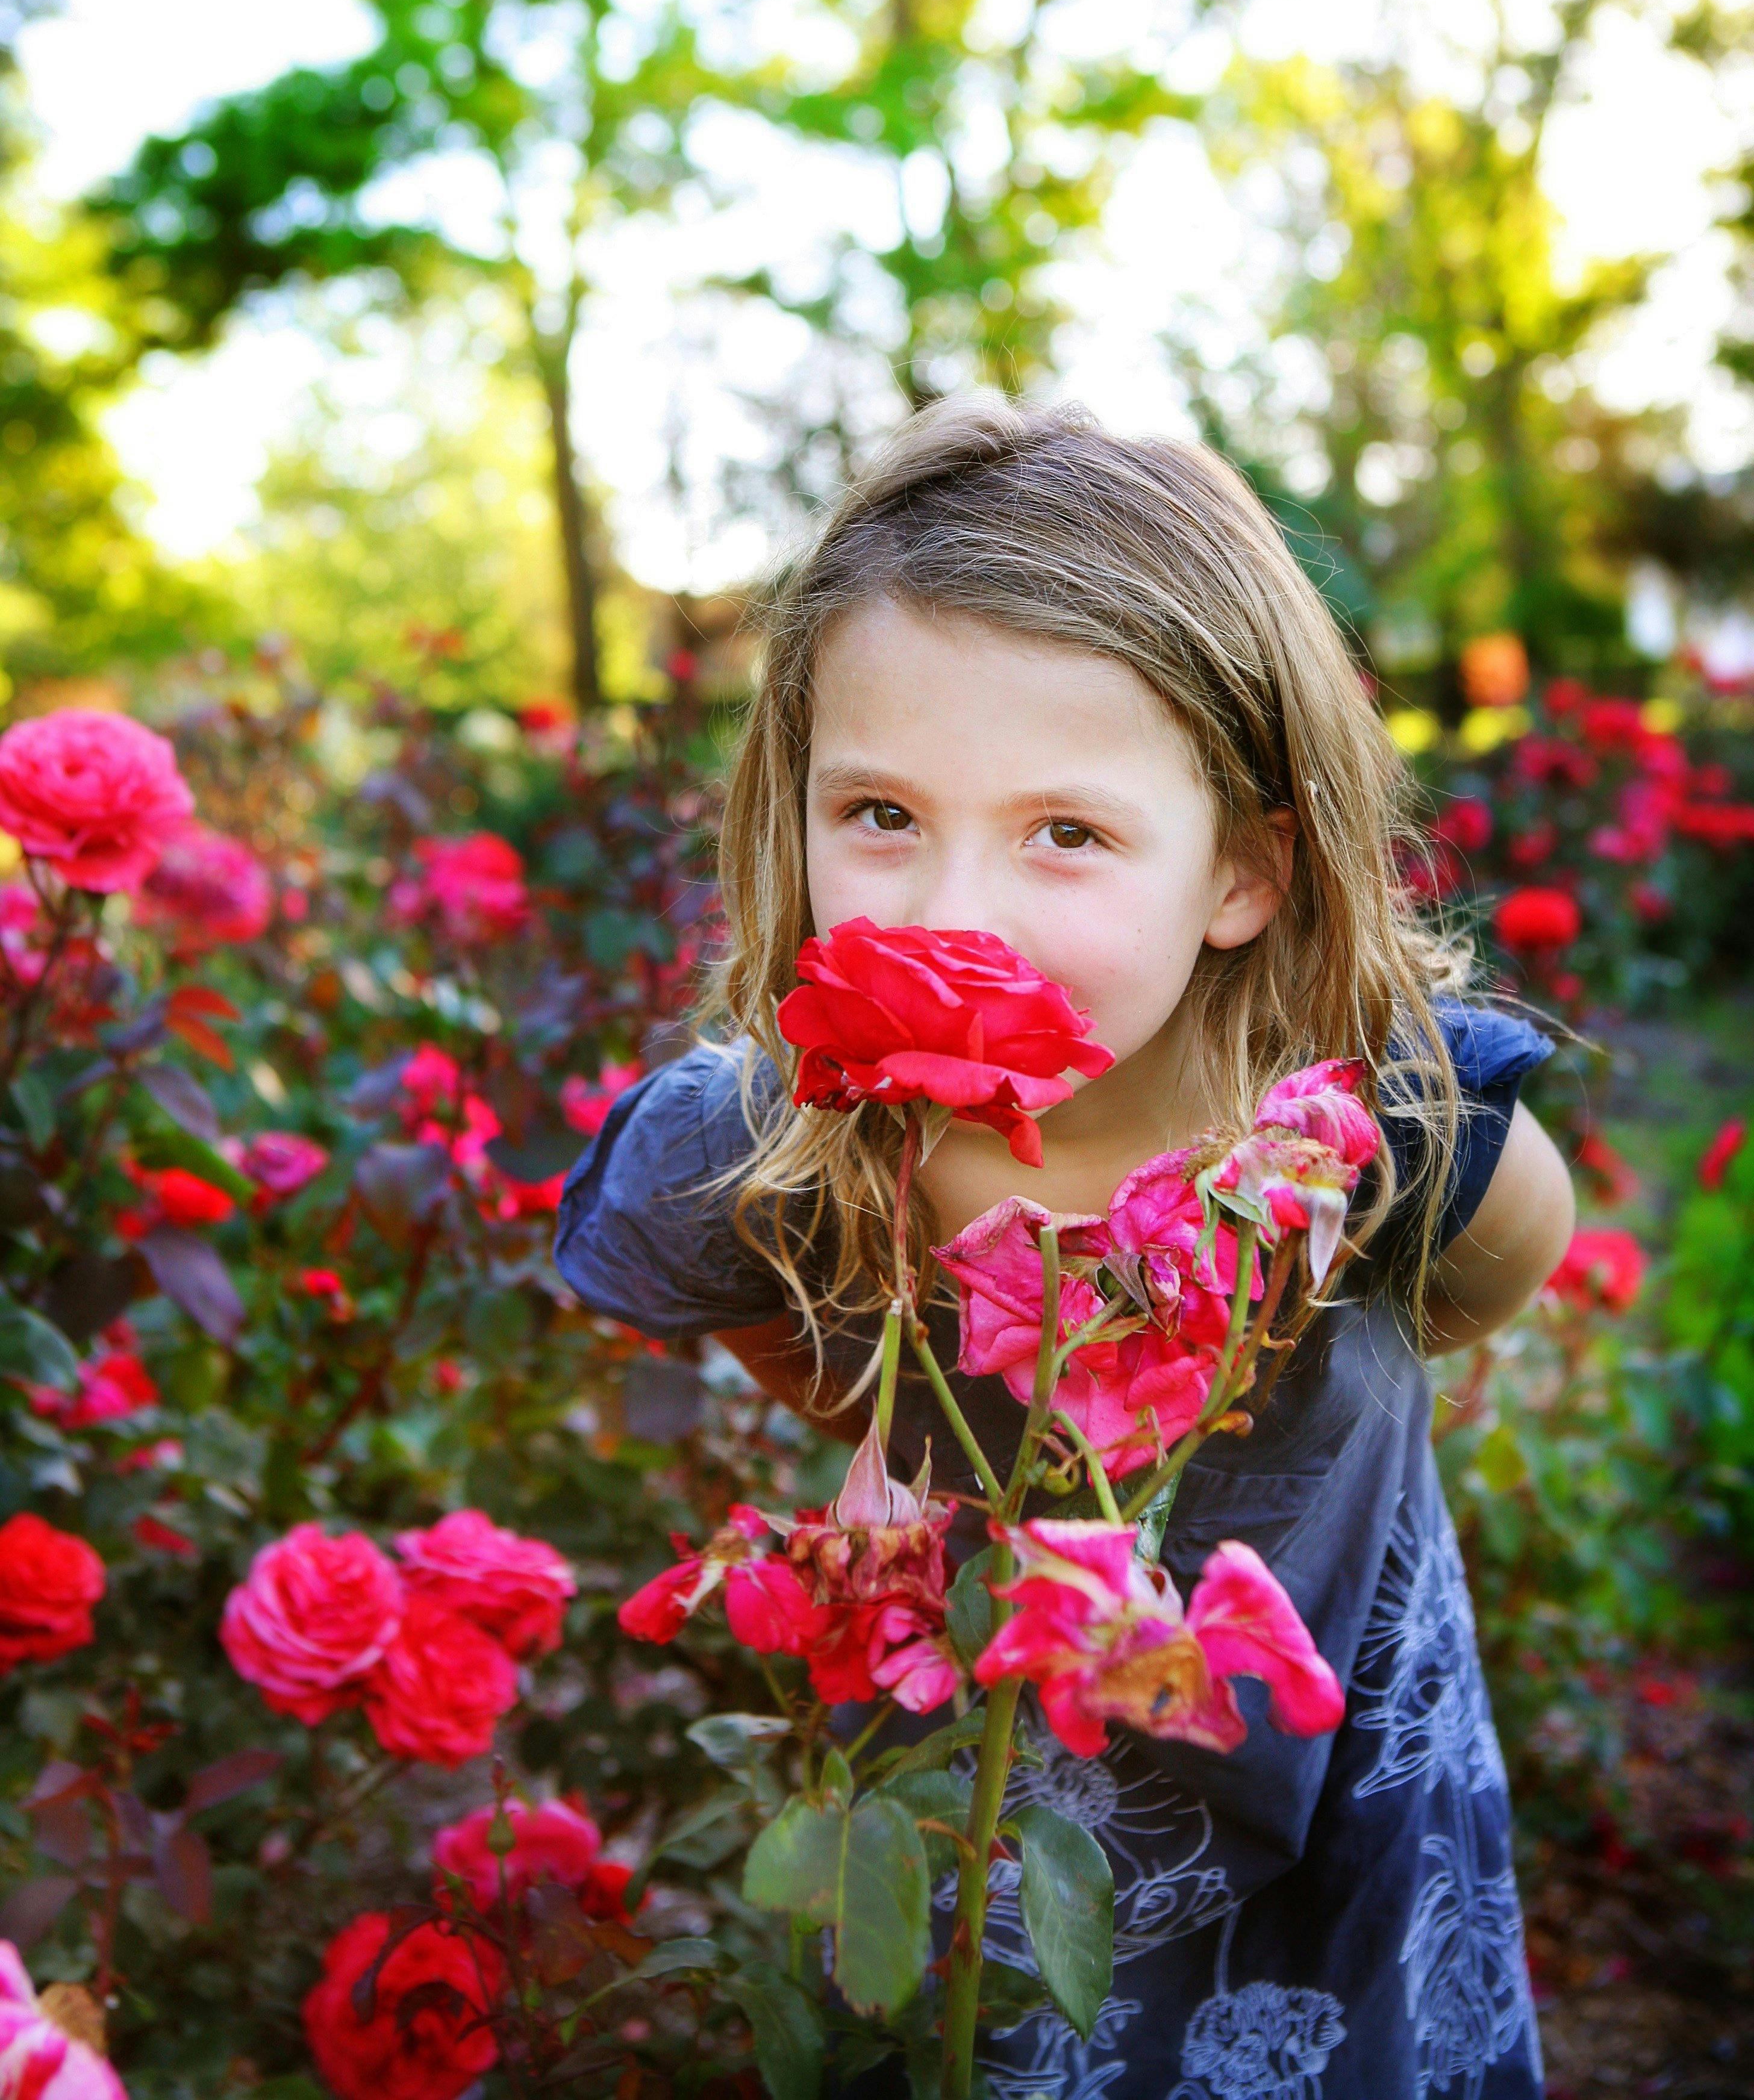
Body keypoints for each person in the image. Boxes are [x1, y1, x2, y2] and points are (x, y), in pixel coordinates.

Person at [554, 392, 1576, 2100]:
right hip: (958, 1830)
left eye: (1067, 834)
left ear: (1243, 873)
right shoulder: (760, 1149)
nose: (951, 915)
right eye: (880, 814)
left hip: (1336, 1831)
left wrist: (1265, 1369)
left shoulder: (1384, 1121)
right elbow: (770, 1317)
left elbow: (1499, 1266)